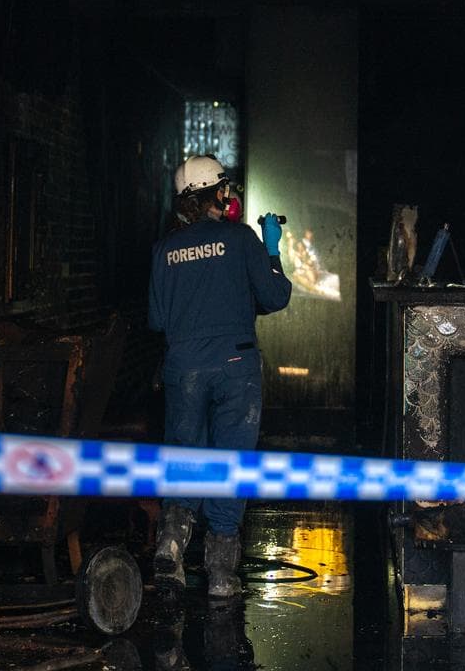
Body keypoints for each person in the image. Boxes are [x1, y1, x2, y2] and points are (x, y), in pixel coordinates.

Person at [147, 154, 291, 600]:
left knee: (185, 454)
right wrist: (271, 249)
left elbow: (156, 319)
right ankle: (222, 574)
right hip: (235, 367)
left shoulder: (164, 249)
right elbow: (275, 295)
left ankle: (171, 543)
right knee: (232, 460)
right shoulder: (241, 237)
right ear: (220, 194)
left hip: (184, 366)